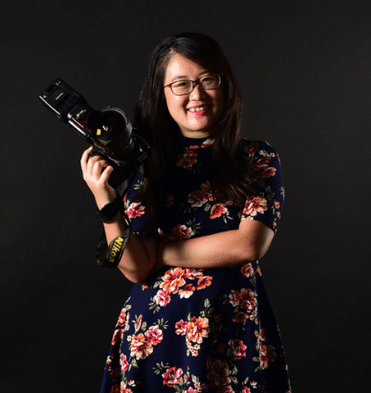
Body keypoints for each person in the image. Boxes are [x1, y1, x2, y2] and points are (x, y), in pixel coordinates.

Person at [80, 33, 291, 392]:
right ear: (162, 95)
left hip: (231, 336)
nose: (196, 94)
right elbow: (135, 268)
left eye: (207, 80)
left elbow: (248, 243)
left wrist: (159, 252)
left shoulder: (256, 157)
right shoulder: (145, 166)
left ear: (225, 85)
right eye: (180, 84)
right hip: (153, 338)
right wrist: (106, 202)